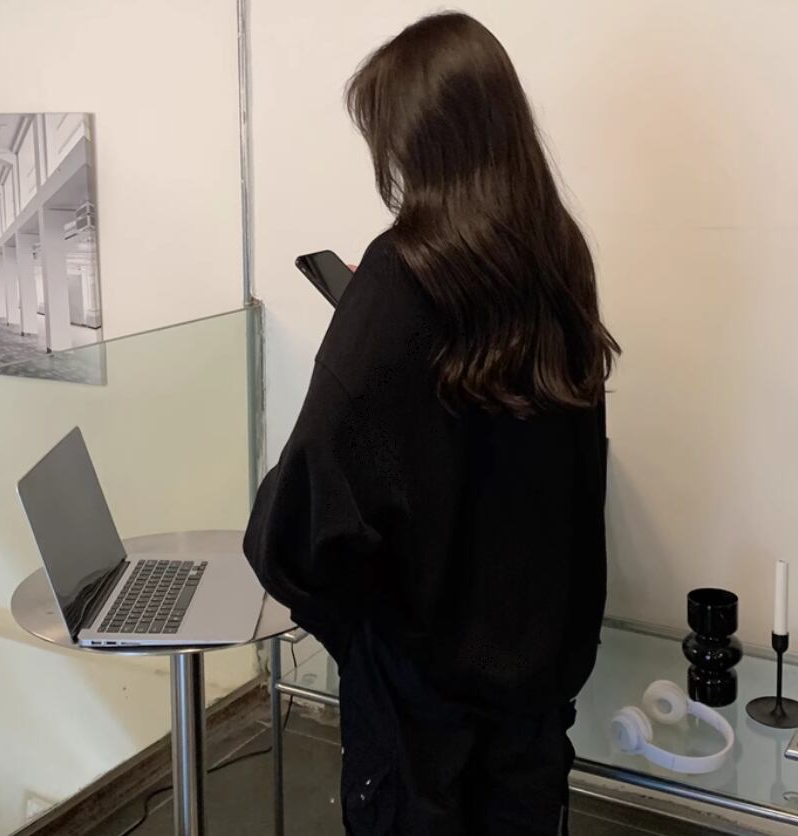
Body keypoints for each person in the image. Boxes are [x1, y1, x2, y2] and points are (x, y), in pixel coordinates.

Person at [244, 11, 619, 835]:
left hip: (422, 711)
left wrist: (362, 639)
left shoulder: (398, 277)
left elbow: (300, 530)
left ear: (416, 144)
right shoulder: (560, 256)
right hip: (534, 689)